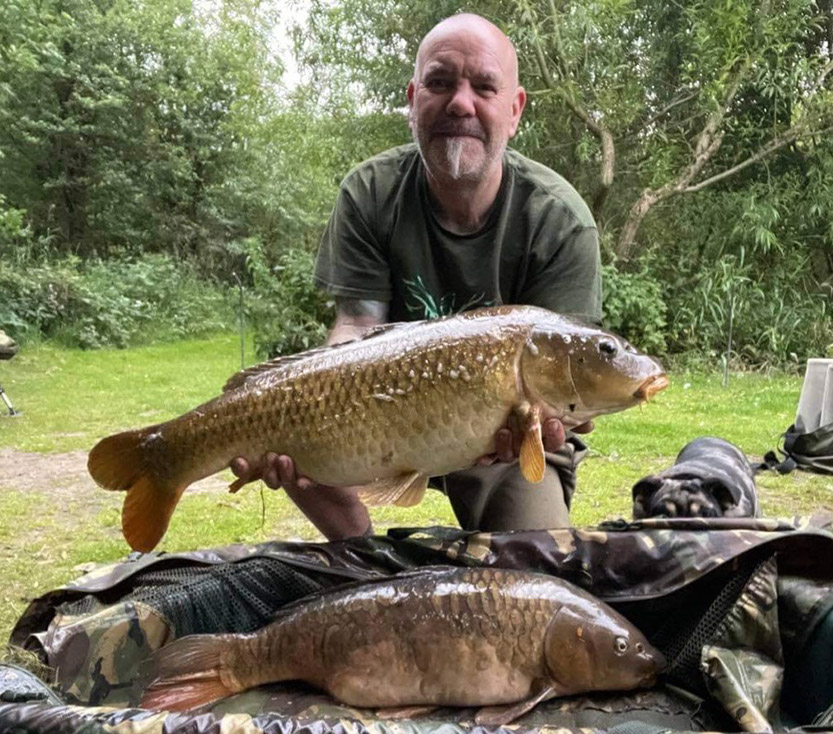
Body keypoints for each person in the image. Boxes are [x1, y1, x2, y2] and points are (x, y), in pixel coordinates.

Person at [231, 13, 602, 540]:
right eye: (440, 82)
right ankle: (362, 561)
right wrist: (295, 409)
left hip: (505, 443)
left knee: (525, 573)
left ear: (514, 110)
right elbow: (355, 327)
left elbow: (565, 370)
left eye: (485, 87)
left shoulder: (559, 219)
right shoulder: (369, 191)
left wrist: (552, 419)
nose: (460, 102)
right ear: (412, 99)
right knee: (295, 436)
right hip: (379, 417)